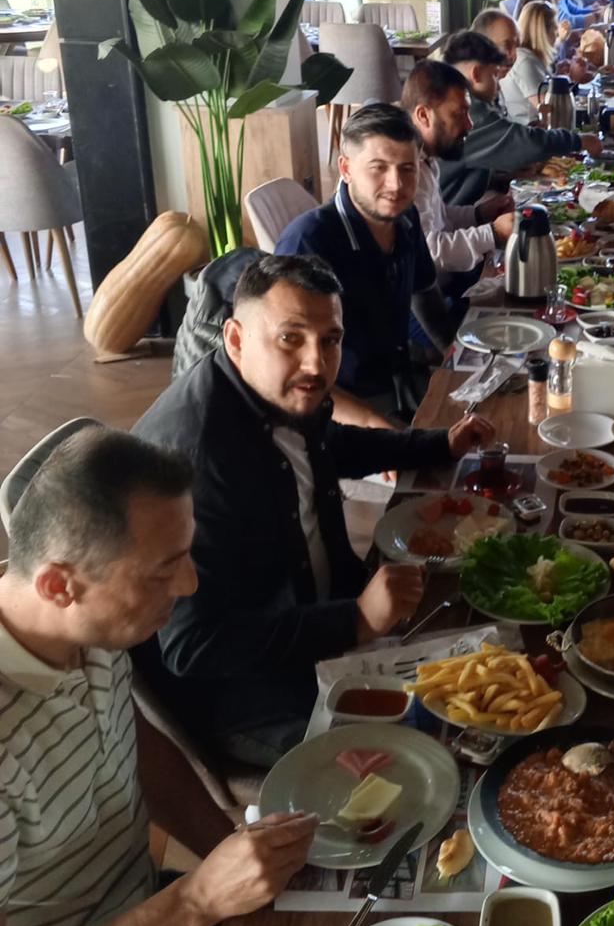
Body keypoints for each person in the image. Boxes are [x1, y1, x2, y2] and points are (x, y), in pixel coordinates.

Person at [0, 426, 318, 926]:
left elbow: (138, 744)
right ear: (58, 584)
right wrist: (197, 900)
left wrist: (231, 846)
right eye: (161, 571)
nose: (191, 583)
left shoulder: (89, 624)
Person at [134, 253, 491, 763]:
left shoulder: (272, 391)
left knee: (478, 651)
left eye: (330, 340)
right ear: (235, 339)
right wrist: (354, 621)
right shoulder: (195, 460)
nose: (316, 364)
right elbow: (193, 646)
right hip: (255, 700)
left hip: (330, 622)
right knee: (445, 751)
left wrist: (438, 444)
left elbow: (326, 444)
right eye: (290, 338)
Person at [275, 105, 456, 403]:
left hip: (397, 378)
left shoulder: (406, 217)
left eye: (407, 168)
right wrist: (382, 425)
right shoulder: (308, 243)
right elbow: (291, 371)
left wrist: (455, 357)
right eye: (378, 168)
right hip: (338, 402)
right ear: (346, 169)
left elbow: (424, 292)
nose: (396, 184)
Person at [435, 29, 600, 206]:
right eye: (494, 75)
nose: (499, 85)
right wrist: (579, 141)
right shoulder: (468, 111)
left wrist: (503, 178)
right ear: (476, 74)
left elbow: (464, 170)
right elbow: (527, 142)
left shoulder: (454, 99)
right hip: (447, 216)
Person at [402, 60, 514, 281]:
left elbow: (440, 217)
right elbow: (430, 252)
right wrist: (493, 233)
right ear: (423, 115)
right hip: (429, 293)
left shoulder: (427, 155)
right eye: (458, 114)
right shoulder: (406, 171)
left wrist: (479, 214)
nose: (470, 124)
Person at [502, 0, 558, 124]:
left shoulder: (530, 57)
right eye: (554, 27)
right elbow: (550, 110)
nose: (557, 33)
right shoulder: (525, 62)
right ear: (542, 32)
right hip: (528, 130)